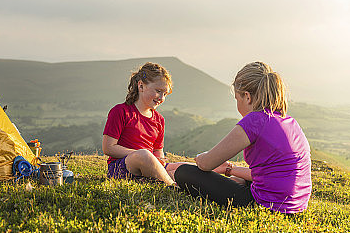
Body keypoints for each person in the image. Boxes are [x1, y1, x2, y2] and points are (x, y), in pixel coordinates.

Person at [166, 61, 312, 213]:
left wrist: (201, 157)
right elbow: (267, 175)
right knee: (239, 179)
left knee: (184, 172)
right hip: (296, 205)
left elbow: (205, 165)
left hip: (265, 204)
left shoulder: (255, 120)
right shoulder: (289, 122)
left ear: (247, 97)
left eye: (237, 98)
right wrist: (230, 169)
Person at [102, 62, 175, 185]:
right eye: (158, 91)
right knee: (144, 155)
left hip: (148, 163)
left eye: (165, 94)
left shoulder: (159, 119)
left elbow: (158, 150)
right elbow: (108, 148)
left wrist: (159, 160)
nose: (162, 98)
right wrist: (141, 154)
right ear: (141, 86)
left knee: (185, 167)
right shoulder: (120, 111)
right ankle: (172, 186)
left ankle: (164, 178)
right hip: (122, 167)